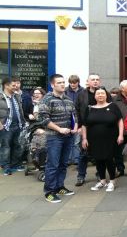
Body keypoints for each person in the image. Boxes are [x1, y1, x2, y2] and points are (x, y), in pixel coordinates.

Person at [39, 74, 78, 203]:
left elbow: (74, 116)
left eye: (63, 82)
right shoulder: (47, 99)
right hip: (54, 137)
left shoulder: (68, 99)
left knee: (63, 164)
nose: (62, 84)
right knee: (53, 164)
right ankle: (49, 192)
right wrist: (59, 129)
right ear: (52, 85)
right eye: (59, 82)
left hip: (68, 137)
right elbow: (43, 119)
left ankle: (59, 186)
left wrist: (75, 127)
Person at [81, 87, 123, 192]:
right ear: (95, 96)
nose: (100, 95)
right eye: (98, 93)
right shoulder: (89, 108)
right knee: (98, 159)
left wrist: (120, 135)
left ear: (106, 95)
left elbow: (120, 121)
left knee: (109, 159)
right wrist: (84, 139)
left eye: (102, 93)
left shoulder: (113, 106)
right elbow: (84, 125)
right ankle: (102, 180)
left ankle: (112, 181)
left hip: (110, 138)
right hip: (94, 139)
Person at [75, 74, 112, 186]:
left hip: (101, 128)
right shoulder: (81, 94)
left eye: (97, 80)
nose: (95, 82)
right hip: (86, 127)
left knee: (100, 152)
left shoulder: (105, 93)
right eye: (93, 80)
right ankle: (81, 176)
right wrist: (79, 126)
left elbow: (110, 108)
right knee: (84, 153)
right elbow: (77, 111)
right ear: (88, 81)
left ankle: (99, 174)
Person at [0, 77, 27, 175]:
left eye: (16, 85)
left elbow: (20, 110)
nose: (16, 87)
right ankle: (6, 167)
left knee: (18, 146)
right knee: (5, 147)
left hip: (18, 125)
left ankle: (15, 165)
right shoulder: (0, 97)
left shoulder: (17, 96)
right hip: (6, 126)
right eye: (13, 85)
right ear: (6, 85)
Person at [65, 75, 84, 166]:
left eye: (74, 83)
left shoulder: (83, 91)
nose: (72, 84)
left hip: (78, 118)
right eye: (71, 83)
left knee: (77, 141)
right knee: (68, 141)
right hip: (67, 118)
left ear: (78, 82)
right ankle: (68, 160)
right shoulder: (65, 91)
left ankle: (76, 159)